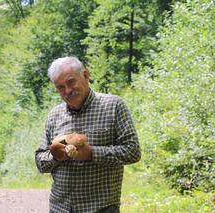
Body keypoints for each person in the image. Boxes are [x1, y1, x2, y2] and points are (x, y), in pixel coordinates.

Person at [35, 56, 141, 213]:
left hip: (101, 208)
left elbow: (133, 152)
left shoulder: (113, 106)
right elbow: (40, 162)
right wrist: (55, 156)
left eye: (71, 82)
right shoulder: (54, 115)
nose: (67, 91)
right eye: (60, 87)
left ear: (85, 75)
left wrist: (91, 153)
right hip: (60, 208)